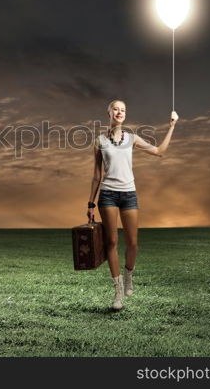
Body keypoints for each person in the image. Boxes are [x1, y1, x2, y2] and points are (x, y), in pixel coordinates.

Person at [86, 99, 178, 310]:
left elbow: (159, 151)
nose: (119, 112)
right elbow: (96, 175)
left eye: (123, 110)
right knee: (111, 242)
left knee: (133, 244)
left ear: (125, 115)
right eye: (116, 109)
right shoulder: (99, 141)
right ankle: (117, 291)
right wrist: (90, 203)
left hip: (128, 194)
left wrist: (172, 126)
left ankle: (129, 275)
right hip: (108, 194)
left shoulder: (132, 138)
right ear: (109, 112)